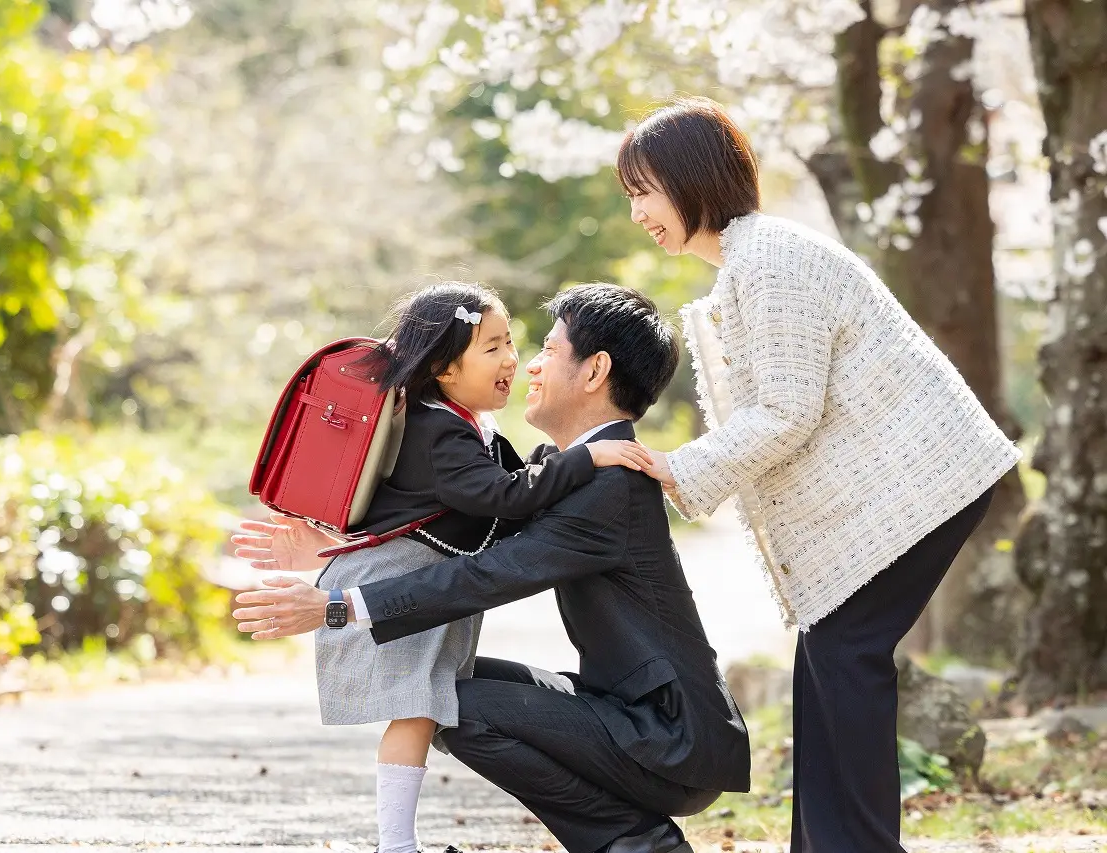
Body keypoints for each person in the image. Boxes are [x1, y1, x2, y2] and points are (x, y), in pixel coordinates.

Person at [617, 97, 1021, 853]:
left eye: (644, 190)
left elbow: (785, 410)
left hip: (930, 481)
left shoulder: (769, 258)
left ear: (691, 178)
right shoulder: (748, 262)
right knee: (829, 655)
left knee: (846, 654)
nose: (637, 210)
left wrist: (681, 467)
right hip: (916, 486)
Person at [233, 283, 752, 853]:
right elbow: (462, 532)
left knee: (456, 705)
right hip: (637, 717)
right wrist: (334, 547)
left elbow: (486, 575)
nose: (526, 364)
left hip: (670, 738)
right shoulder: (574, 470)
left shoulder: (612, 484)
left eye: (548, 351)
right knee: (451, 683)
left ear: (595, 370)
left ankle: (635, 842)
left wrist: (337, 608)